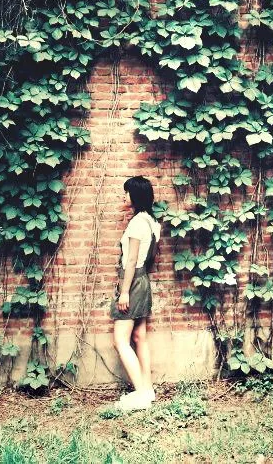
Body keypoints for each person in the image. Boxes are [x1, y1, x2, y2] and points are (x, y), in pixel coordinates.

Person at [111, 176, 161, 411]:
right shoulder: (152, 222)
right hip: (143, 280)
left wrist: (124, 292)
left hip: (132, 282)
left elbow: (131, 260)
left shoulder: (136, 224)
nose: (124, 196)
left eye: (127, 192)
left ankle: (141, 394)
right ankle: (148, 390)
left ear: (136, 195)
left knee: (120, 340)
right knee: (139, 336)